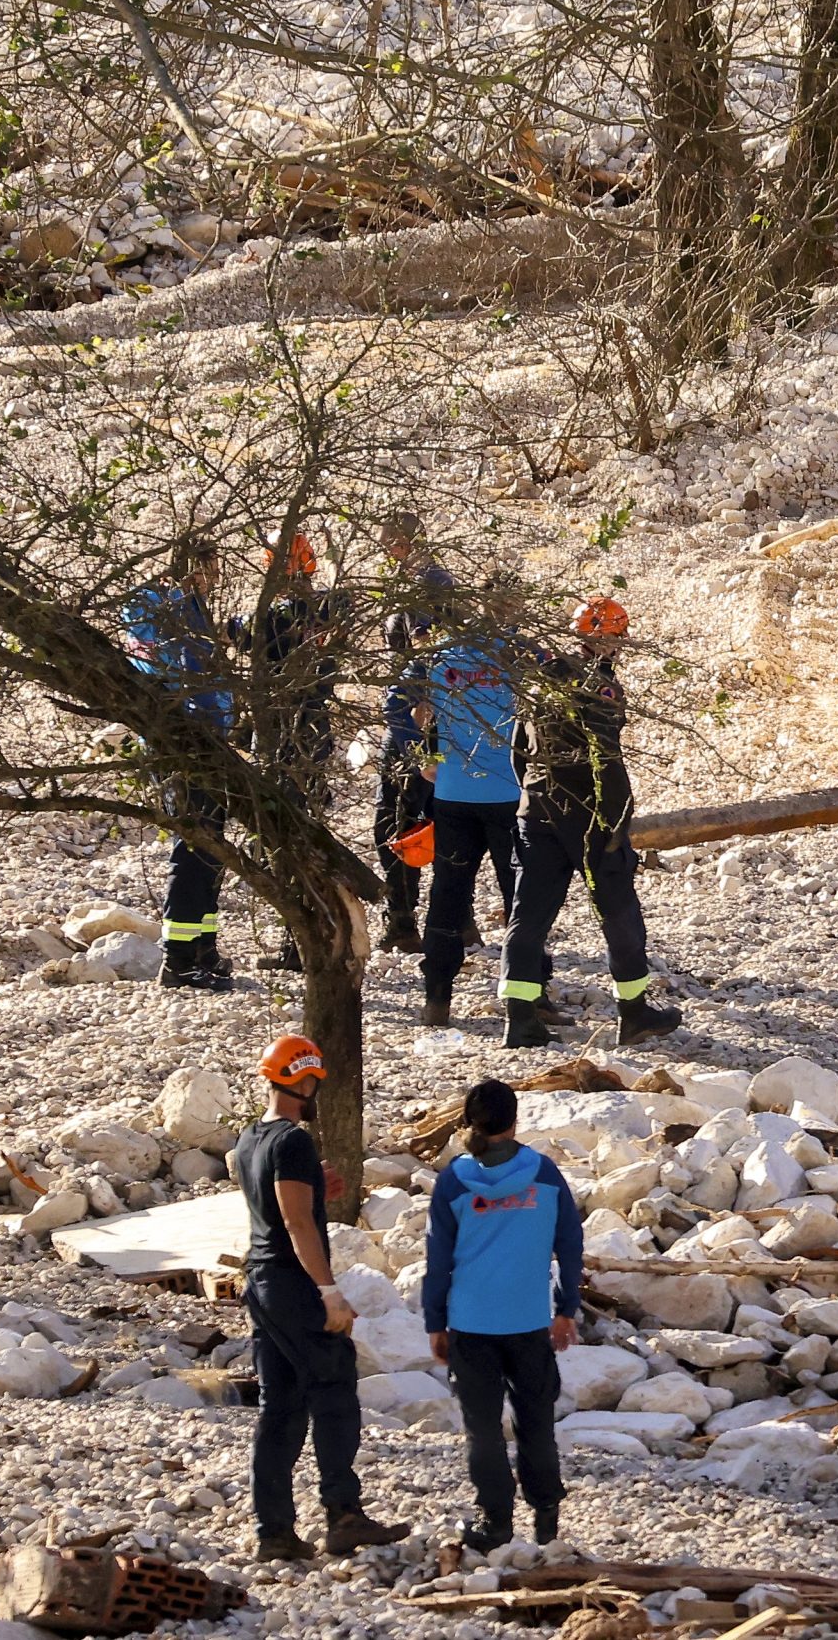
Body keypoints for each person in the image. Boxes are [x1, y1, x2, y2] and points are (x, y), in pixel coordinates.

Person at [232, 1034, 412, 1559]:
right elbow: (293, 1221)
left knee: (281, 1406)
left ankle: (274, 1532)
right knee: (334, 1387)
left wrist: (314, 1186)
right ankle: (343, 1515)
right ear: (302, 1079)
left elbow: (274, 1201)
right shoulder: (293, 1141)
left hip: (260, 1282)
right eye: (314, 1082)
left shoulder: (249, 1139)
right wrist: (328, 1291)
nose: (316, 1092)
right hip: (292, 1282)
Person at [496, 597, 682, 1050]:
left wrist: (530, 797)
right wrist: (617, 824)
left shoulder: (541, 681)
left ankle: (519, 1019)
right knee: (619, 912)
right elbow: (607, 760)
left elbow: (518, 749)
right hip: (586, 818)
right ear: (603, 638)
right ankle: (633, 1013)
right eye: (616, 636)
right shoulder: (597, 688)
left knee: (529, 914)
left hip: (536, 810)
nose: (618, 644)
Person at [422, 1078, 583, 1552]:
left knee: (484, 1429)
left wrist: (434, 1321)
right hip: (530, 1321)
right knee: (537, 1422)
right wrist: (566, 1307)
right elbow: (570, 1246)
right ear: (516, 1120)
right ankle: (547, 1516)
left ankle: (495, 1523)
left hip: (470, 1324)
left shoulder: (454, 1180)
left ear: (469, 1122)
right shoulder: (545, 1174)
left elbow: (438, 1258)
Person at [125, 538, 236, 991]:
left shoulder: (143, 606)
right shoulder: (181, 610)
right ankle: (180, 960)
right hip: (194, 743)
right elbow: (198, 678)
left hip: (163, 739)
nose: (216, 580)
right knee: (197, 848)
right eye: (212, 570)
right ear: (195, 569)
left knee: (206, 846)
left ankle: (202, 948)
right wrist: (224, 731)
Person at [241, 533, 351, 972]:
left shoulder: (272, 615)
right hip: (314, 730)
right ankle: (309, 935)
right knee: (306, 829)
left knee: (285, 839)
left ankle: (299, 942)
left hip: (283, 735)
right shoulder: (327, 608)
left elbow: (245, 635)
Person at [417, 622, 521, 1028]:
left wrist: (432, 757)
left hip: (453, 792)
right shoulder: (518, 653)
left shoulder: (443, 653)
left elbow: (417, 711)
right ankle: (528, 997)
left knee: (447, 894)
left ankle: (437, 999)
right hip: (506, 794)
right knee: (520, 898)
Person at [373, 515, 454, 954]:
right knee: (421, 817)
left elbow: (427, 651)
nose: (386, 551)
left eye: (390, 543)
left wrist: (420, 731)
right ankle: (454, 919)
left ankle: (405, 919)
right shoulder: (422, 581)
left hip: (415, 720)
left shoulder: (426, 586)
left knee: (399, 820)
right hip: (415, 714)